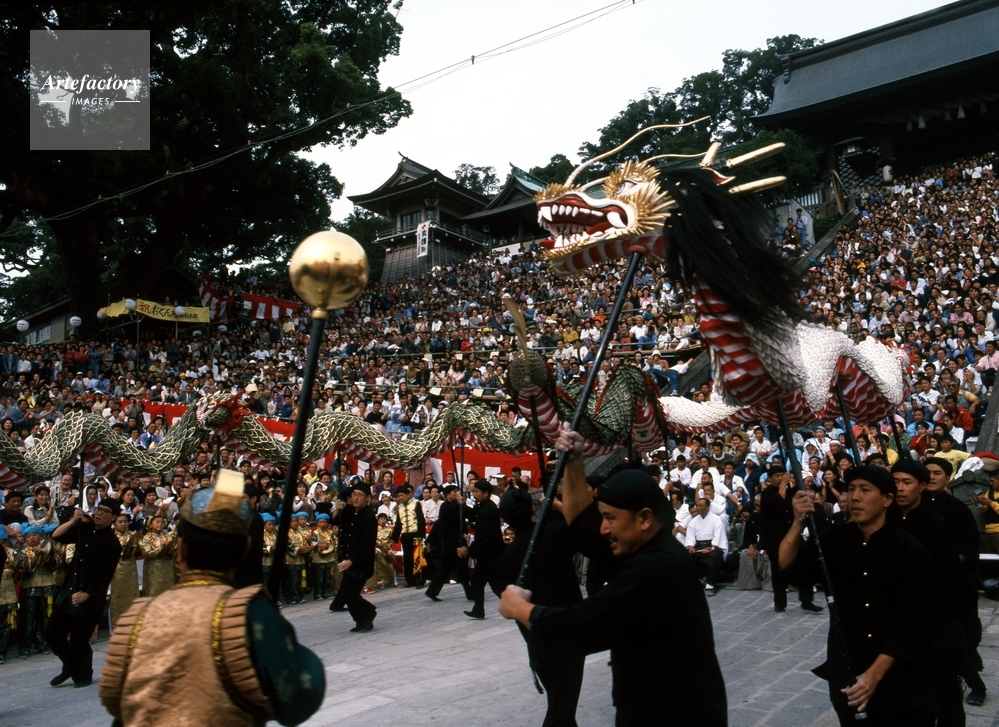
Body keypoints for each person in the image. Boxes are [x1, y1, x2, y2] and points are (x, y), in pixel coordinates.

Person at [500, 427, 726, 727]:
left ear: (644, 518)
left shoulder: (656, 569)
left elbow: (582, 626)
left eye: (609, 519)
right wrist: (574, 462)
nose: (603, 529)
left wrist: (519, 608)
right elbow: (584, 525)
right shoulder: (642, 546)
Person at [98, 471, 325, 725]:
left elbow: (123, 709)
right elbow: (300, 696)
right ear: (244, 551)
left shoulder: (139, 616)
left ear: (180, 551)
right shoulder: (251, 612)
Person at [779, 466, 936, 725]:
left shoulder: (910, 550)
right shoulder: (834, 538)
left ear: (887, 499)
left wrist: (873, 676)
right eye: (851, 489)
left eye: (865, 490)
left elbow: (911, 623)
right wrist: (797, 522)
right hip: (848, 666)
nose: (855, 497)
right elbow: (790, 570)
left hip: (899, 674)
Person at [924, 457, 987, 707]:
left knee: (960, 639)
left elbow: (967, 547)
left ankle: (976, 686)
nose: (931, 477)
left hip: (955, 584)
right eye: (927, 472)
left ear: (947, 477)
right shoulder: (915, 507)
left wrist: (943, 568)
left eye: (937, 473)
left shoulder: (957, 508)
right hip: (925, 584)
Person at [45, 497, 122, 688]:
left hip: (89, 595)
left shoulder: (112, 543)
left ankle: (83, 674)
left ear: (113, 517)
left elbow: (105, 574)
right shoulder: (85, 529)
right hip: (69, 589)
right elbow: (56, 535)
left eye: (105, 511)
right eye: (98, 509)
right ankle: (69, 665)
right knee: (52, 633)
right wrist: (73, 520)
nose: (99, 513)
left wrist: (87, 594)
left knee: (79, 639)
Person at [760, 466, 822, 614]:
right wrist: (783, 485)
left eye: (782, 475)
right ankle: (780, 603)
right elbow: (778, 504)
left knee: (806, 564)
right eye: (777, 476)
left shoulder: (789, 492)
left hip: (792, 534)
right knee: (778, 571)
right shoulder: (766, 494)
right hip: (775, 538)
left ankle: (807, 600)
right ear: (770, 478)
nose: (780, 478)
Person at [332, 482, 377, 632]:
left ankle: (368, 612)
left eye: (360, 495)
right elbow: (337, 522)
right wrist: (338, 509)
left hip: (360, 562)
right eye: (354, 494)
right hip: (349, 559)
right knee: (347, 593)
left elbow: (367, 544)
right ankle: (362, 620)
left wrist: (351, 561)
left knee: (349, 593)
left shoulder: (369, 516)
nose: (356, 498)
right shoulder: (351, 511)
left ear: (367, 498)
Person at [461, 479, 505, 619]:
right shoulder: (484, 506)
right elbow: (474, 514)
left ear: (485, 493)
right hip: (487, 554)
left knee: (497, 586)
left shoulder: (488, 510)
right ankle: (478, 610)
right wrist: (463, 506)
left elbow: (482, 535)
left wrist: (469, 550)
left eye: (477, 492)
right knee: (477, 582)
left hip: (490, 553)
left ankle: (517, 605)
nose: (474, 494)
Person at [424, 484, 471, 602]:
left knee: (444, 570)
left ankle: (432, 591)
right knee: (462, 570)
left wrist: (464, 533)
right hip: (449, 544)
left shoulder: (458, 506)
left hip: (457, 542)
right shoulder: (445, 506)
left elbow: (461, 521)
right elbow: (444, 520)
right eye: (455, 492)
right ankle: (471, 594)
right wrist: (429, 541)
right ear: (447, 495)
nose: (457, 494)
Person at [108, 514, 140, 632]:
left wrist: (136, 549)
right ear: (115, 523)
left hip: (131, 570)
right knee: (117, 597)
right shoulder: (111, 536)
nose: (123, 524)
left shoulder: (133, 535)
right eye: (120, 522)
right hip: (116, 569)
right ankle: (117, 626)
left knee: (132, 596)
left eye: (125, 522)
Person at [392, 485, 426, 587]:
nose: (400, 497)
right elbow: (398, 524)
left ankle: (420, 580)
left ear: (408, 495)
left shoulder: (416, 504)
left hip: (415, 534)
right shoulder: (400, 507)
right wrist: (393, 538)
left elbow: (420, 520)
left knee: (417, 557)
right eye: (399, 496)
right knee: (407, 559)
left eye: (402, 495)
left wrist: (421, 535)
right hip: (405, 536)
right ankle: (410, 581)